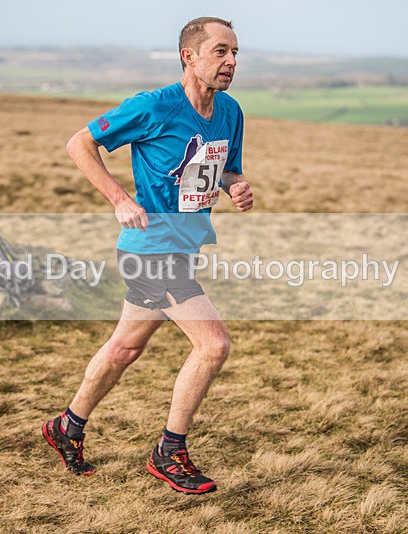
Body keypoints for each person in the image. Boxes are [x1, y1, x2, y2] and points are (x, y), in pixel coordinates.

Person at [42, 16, 253, 495]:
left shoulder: (230, 111)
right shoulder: (154, 106)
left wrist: (238, 187)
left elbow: (228, 169)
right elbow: (80, 143)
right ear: (189, 56)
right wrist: (120, 198)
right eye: (220, 51)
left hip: (184, 248)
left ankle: (67, 427)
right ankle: (168, 452)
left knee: (125, 348)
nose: (231, 62)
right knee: (213, 345)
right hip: (149, 251)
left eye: (235, 53)